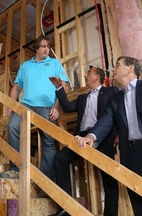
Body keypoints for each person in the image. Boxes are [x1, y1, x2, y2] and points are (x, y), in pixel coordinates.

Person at [77, 56, 142, 216]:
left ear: (130, 68)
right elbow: (106, 120)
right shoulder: (116, 99)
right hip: (130, 156)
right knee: (139, 207)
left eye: (117, 65)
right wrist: (91, 137)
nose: (113, 69)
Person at [49, 66, 119, 216]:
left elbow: (117, 113)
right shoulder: (82, 98)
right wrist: (59, 87)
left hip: (103, 138)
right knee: (60, 158)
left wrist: (118, 134)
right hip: (81, 139)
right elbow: (67, 107)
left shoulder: (111, 92)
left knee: (110, 181)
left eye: (89, 73)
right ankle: (65, 207)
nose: (85, 75)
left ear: (97, 77)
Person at [0, 36, 68, 181]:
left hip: (48, 106)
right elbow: (17, 86)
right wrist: (11, 104)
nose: (46, 49)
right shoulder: (25, 66)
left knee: (48, 142)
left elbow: (64, 86)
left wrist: (57, 107)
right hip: (27, 105)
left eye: (48, 46)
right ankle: (15, 169)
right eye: (43, 46)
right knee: (13, 126)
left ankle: (45, 181)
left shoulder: (55, 63)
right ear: (36, 49)